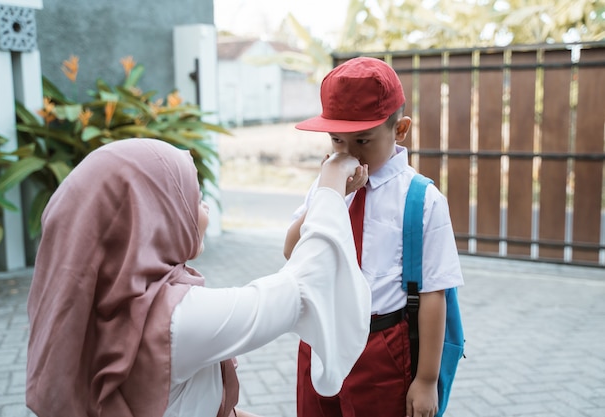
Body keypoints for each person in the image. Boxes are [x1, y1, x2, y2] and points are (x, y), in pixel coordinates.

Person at [25, 138, 372, 417]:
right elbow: (301, 288)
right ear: (150, 218)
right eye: (193, 198)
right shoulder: (175, 321)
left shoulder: (81, 305)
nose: (205, 209)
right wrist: (331, 183)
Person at [284, 57, 464, 417]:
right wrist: (328, 194)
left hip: (381, 346)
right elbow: (292, 250)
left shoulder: (422, 199)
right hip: (322, 339)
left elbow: (433, 294)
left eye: (363, 140)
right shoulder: (325, 187)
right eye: (337, 140)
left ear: (400, 131)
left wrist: (426, 380)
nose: (349, 153)